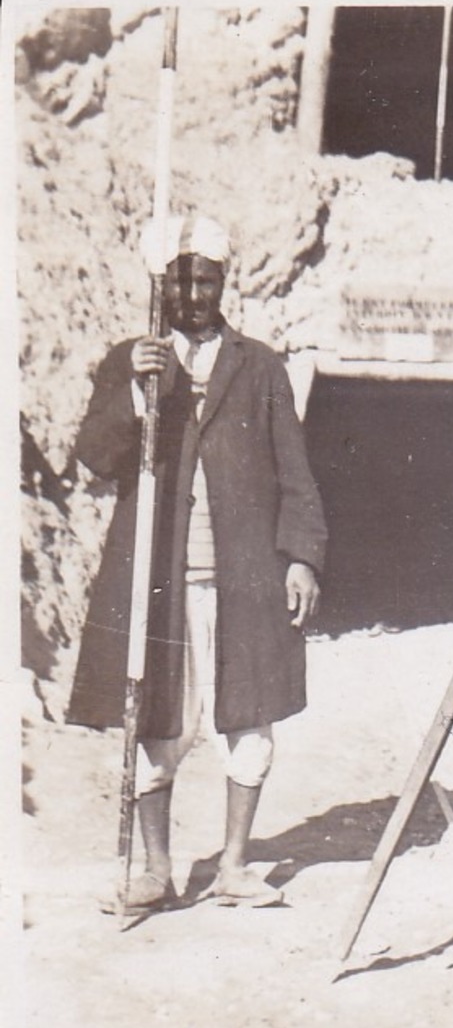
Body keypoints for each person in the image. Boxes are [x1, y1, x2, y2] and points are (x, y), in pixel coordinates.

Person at [67, 215, 327, 912]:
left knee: (248, 720)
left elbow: (295, 473)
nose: (193, 293)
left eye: (205, 280)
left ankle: (235, 867)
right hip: (155, 582)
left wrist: (301, 558)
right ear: (163, 285)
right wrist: (135, 394)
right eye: (180, 280)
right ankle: (156, 871)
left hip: (243, 582)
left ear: (223, 283)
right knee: (156, 721)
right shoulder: (135, 360)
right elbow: (94, 457)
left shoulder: (261, 366)